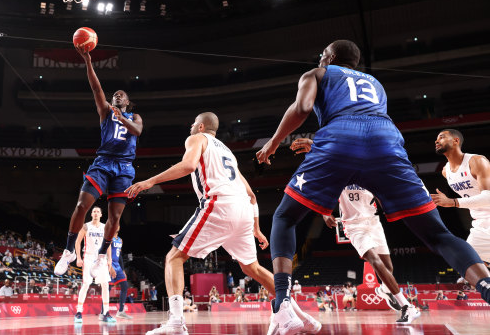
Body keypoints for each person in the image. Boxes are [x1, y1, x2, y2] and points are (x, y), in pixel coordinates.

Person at [255, 39, 490, 331]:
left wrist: (274, 143)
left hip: (340, 139)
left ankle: (283, 303)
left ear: (328, 57)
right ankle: (486, 284)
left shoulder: (317, 73)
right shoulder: (376, 83)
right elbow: (364, 128)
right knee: (438, 234)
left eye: (322, 56)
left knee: (285, 216)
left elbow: (303, 108)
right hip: (386, 141)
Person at [127, 112, 320, 335]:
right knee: (252, 268)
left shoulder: (196, 139)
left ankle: (176, 323)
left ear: (200, 127)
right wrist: (256, 228)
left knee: (174, 257)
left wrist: (149, 181)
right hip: (243, 209)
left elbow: (188, 165)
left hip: (220, 204)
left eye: (193, 122)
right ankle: (297, 314)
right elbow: (251, 194)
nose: (190, 125)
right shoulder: (227, 152)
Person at [293, 137, 414, 317]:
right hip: (353, 226)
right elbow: (323, 183)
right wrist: (325, 214)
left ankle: (384, 291)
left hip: (374, 222)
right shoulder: (338, 172)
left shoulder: (372, 171)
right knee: (375, 261)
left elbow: (382, 195)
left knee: (388, 268)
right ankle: (406, 306)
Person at [54, 45, 143, 279]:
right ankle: (68, 251)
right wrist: (88, 62)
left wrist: (121, 116)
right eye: (115, 94)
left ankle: (103, 256)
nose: (117, 95)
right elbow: (96, 87)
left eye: (122, 95)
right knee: (81, 205)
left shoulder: (134, 117)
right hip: (103, 162)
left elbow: (137, 131)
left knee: (114, 218)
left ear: (128, 101)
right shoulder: (105, 111)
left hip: (124, 167)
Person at [431, 129, 490, 266]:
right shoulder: (446, 172)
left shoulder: (477, 161)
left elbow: (488, 197)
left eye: (442, 137)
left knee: (470, 265)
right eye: (437, 138)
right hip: (480, 223)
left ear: (456, 141)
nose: (436, 141)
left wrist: (453, 202)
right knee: (467, 263)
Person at [73, 206, 115, 323]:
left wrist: (110, 259)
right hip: (89, 258)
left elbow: (109, 244)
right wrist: (79, 258)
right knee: (86, 284)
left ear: (101, 215)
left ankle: (106, 313)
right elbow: (77, 242)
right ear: (91, 214)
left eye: (98, 211)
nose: (96, 213)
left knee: (105, 285)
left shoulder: (105, 227)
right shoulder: (86, 226)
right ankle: (78, 312)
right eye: (94, 211)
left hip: (101, 258)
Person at [108, 226, 132, 319]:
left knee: (125, 286)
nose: (116, 226)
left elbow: (120, 256)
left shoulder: (120, 240)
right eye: (115, 224)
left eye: (118, 225)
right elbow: (106, 252)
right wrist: (109, 266)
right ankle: (104, 312)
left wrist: (122, 269)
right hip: (110, 265)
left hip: (118, 266)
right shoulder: (109, 238)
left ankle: (121, 311)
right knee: (108, 288)